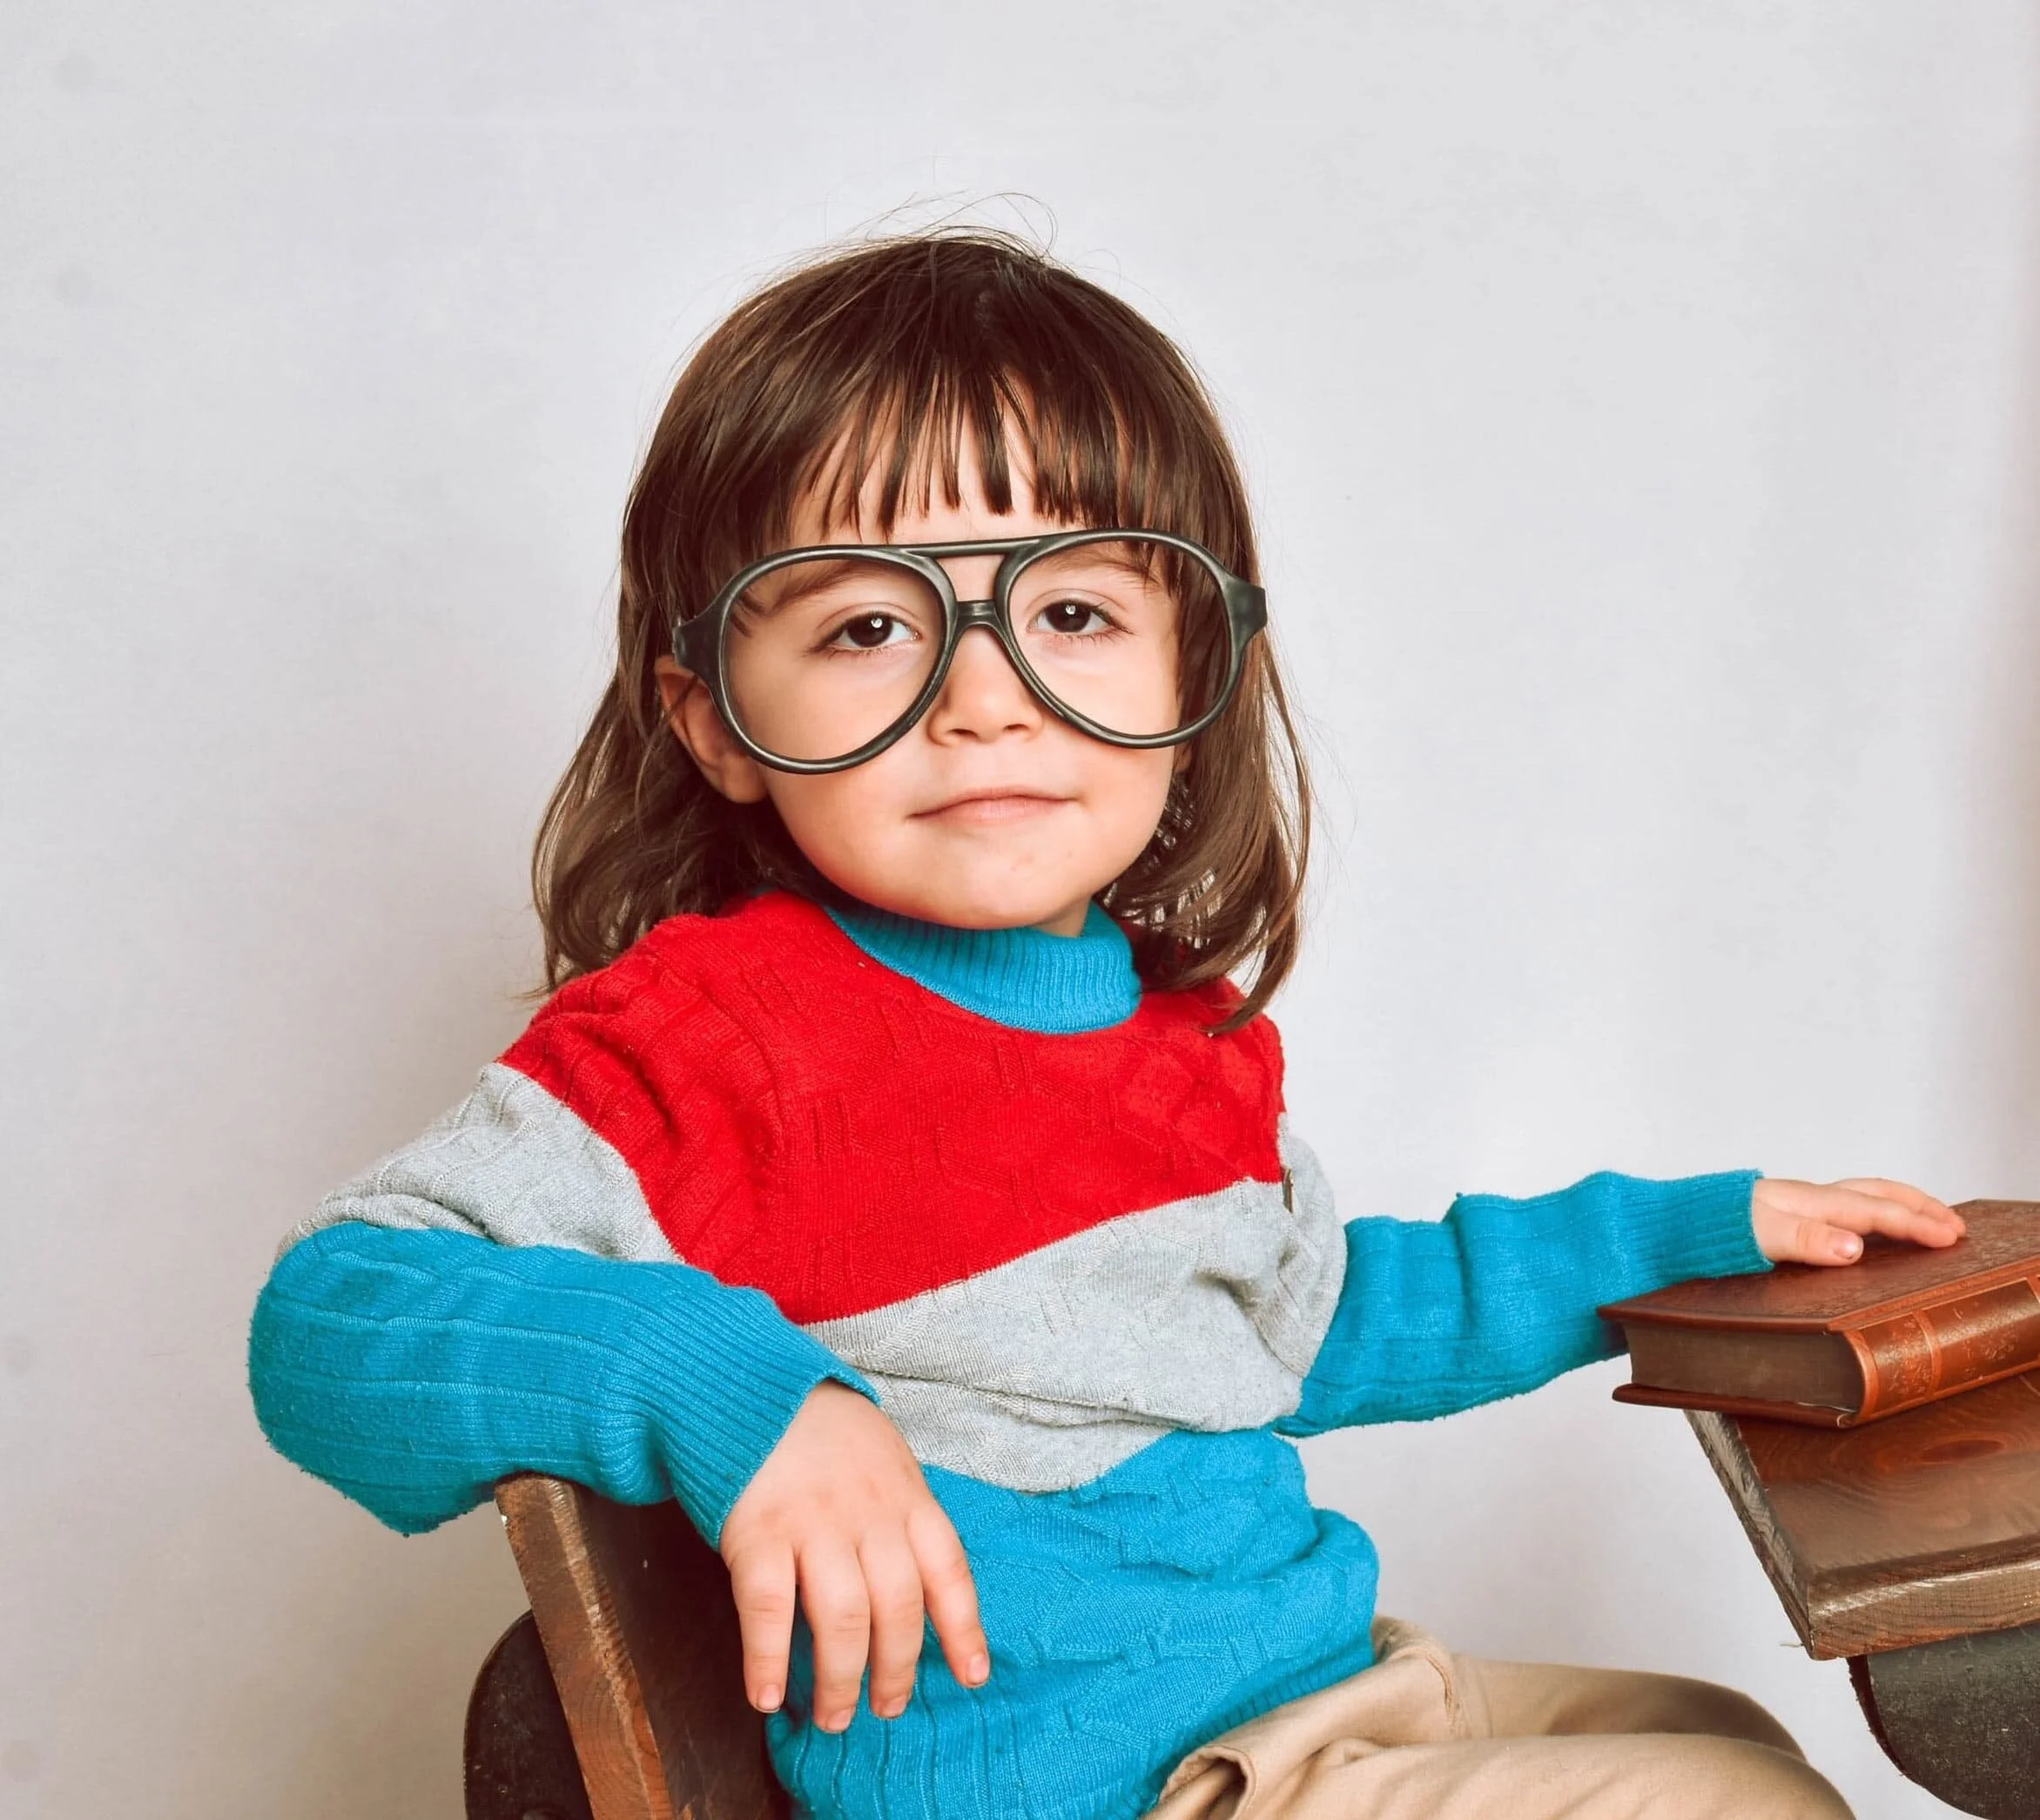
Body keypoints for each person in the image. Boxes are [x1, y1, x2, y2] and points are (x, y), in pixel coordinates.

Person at [249, 231, 1961, 1820]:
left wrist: (1684, 1236)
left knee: (1728, 1733)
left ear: (1187, 674)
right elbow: (330, 1317)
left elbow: (1309, 1323)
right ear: (712, 721)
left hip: (1313, 1693)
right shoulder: (714, 1036)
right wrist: (732, 1395)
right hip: (1117, 1788)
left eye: (1070, 612)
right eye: (868, 625)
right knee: (1731, 1810)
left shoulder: (1177, 1044)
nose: (984, 695)